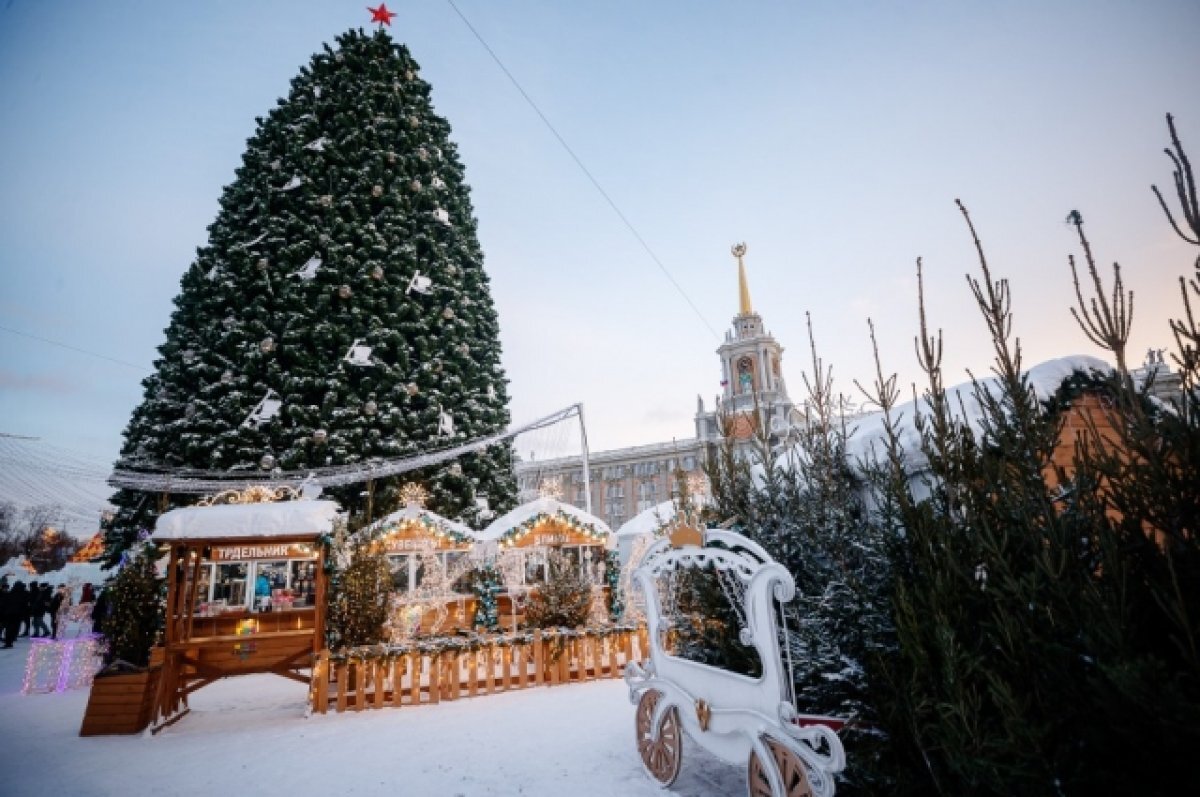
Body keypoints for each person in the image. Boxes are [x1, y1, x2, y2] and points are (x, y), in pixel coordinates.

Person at [3, 581, 29, 648]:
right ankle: (12, 638)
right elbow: (25, 605)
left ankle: (8, 642)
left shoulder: (11, 593)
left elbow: (5, 603)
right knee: (15, 627)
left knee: (9, 628)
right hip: (18, 614)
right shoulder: (24, 594)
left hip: (10, 613)